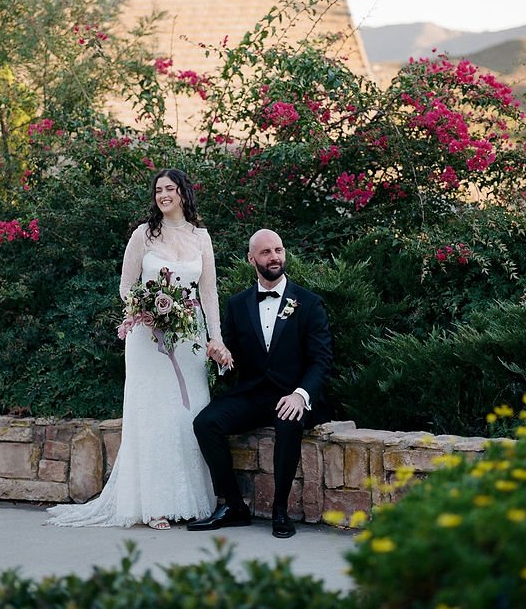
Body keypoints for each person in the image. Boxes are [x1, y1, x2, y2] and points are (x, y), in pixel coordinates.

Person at [47, 169, 232, 530]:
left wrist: (216, 337)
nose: (163, 195)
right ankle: (153, 506)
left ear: (183, 193)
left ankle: (190, 501)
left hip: (188, 337)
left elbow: (208, 292)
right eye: (158, 190)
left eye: (170, 189)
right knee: (153, 416)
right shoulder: (143, 235)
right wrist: (146, 309)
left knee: (186, 414)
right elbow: (126, 286)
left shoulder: (201, 237)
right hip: (148, 338)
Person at [189, 228, 333, 538]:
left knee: (288, 421)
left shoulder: (308, 303)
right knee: (205, 423)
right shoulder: (238, 305)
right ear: (252, 259)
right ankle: (233, 506)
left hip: (291, 394)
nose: (274, 257)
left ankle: (280, 509)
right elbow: (232, 360)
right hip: (253, 393)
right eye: (266, 252)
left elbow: (321, 360)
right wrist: (223, 358)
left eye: (279, 250)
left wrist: (300, 395)